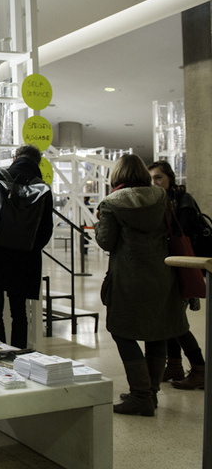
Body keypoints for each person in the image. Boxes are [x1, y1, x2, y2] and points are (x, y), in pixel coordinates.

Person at [96, 154, 189, 416]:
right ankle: (151, 393)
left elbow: (106, 241)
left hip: (129, 278)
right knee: (157, 332)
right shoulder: (162, 198)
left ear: (117, 175)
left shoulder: (112, 203)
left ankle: (140, 395)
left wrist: (98, 222)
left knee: (121, 332)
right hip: (163, 274)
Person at [0, 144, 54, 349]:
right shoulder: (43, 187)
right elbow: (46, 229)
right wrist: (30, 247)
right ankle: (18, 353)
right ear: (37, 162)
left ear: (15, 157)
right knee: (19, 312)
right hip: (24, 259)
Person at [148, 160, 206, 390]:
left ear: (170, 178)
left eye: (158, 177)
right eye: (151, 178)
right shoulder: (159, 201)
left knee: (176, 321)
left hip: (182, 267)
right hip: (167, 267)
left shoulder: (183, 200)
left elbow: (180, 232)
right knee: (169, 319)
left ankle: (200, 369)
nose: (154, 182)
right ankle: (174, 365)